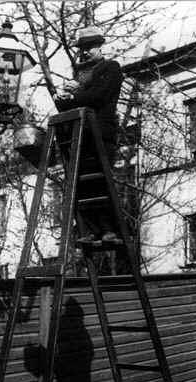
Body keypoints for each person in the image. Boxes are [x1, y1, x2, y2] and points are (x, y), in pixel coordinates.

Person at [54, 26, 124, 247]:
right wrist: (62, 97)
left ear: (99, 46)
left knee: (103, 180)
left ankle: (111, 230)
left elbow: (99, 96)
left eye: (89, 47)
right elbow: (70, 104)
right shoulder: (80, 74)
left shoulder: (111, 68)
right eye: (82, 48)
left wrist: (75, 93)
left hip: (101, 133)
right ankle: (93, 231)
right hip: (81, 135)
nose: (84, 52)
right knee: (84, 185)